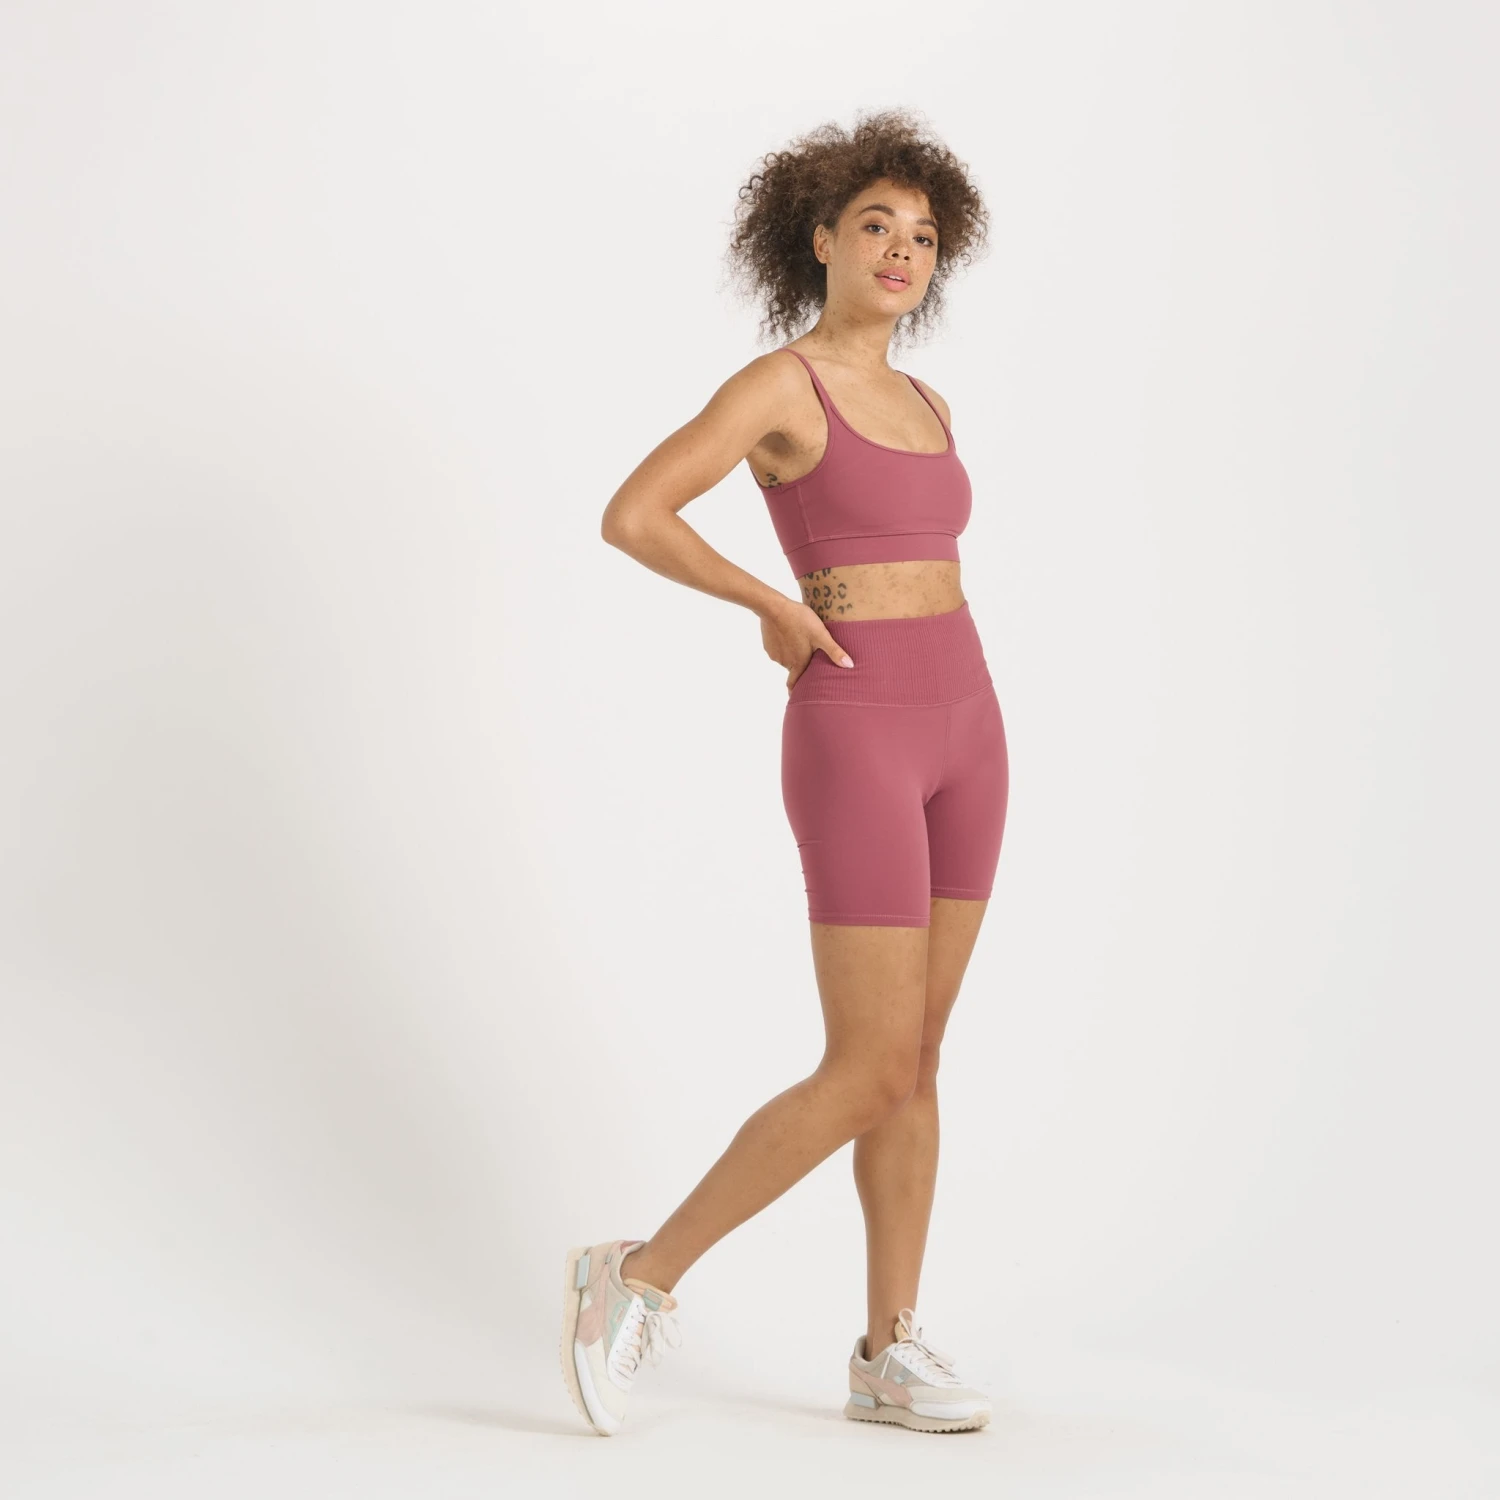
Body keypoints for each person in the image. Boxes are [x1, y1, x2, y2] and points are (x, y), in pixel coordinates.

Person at [561, 108, 1006, 1437]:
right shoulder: (782, 387)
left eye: (924, 235)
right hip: (856, 725)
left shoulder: (929, 402)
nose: (902, 250)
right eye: (876, 225)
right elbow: (635, 513)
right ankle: (635, 1277)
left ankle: (887, 1349)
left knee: (918, 1058)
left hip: (971, 724)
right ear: (819, 238)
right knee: (866, 1065)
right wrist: (770, 601)